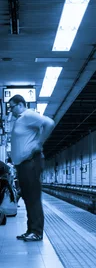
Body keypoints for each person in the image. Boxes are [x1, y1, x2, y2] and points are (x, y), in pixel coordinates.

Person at [9, 95, 55, 241]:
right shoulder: (20, 119)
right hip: (23, 165)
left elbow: (49, 122)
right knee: (28, 198)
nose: (11, 110)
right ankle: (31, 230)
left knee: (33, 198)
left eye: (12, 106)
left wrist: (39, 142)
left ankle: (36, 232)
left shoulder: (28, 115)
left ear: (21, 104)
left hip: (31, 162)